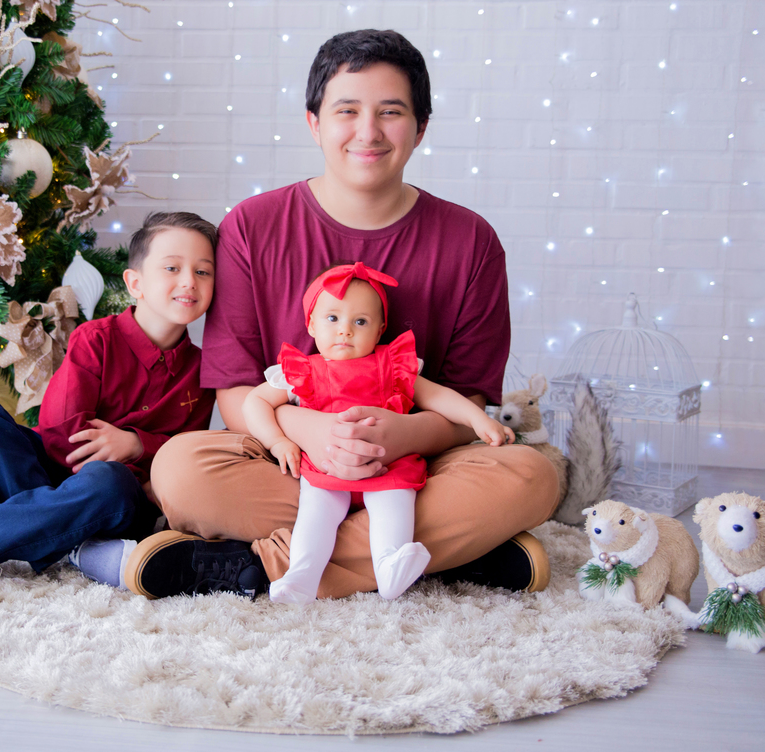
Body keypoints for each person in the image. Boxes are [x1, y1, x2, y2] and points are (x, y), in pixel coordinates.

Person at [121, 29, 561, 600]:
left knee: (532, 477)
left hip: (415, 469)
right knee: (180, 470)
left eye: (391, 112)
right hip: (292, 466)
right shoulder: (252, 227)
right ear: (314, 122)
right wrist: (310, 430)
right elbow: (234, 395)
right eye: (347, 110)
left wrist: (400, 435)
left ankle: (253, 569)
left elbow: (467, 405)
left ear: (421, 128)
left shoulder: (470, 241)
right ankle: (444, 554)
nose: (368, 132)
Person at [0, 212, 219, 593]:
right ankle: (78, 549)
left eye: (203, 272)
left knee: (107, 479)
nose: (188, 281)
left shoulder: (203, 371)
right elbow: (59, 434)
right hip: (52, 471)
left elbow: (185, 456)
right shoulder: (94, 339)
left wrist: (136, 443)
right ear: (135, 283)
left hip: (115, 499)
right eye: (172, 267)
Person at [245, 262, 514, 604]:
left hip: (388, 468)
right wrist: (277, 441)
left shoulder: (392, 365)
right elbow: (255, 401)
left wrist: (479, 420)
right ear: (311, 324)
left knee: (395, 503)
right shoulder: (303, 371)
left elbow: (439, 397)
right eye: (332, 319)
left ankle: (390, 568)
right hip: (326, 469)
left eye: (360, 322)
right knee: (316, 512)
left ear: (380, 329)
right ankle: (302, 575)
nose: (345, 331)